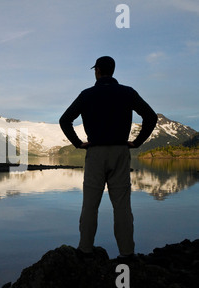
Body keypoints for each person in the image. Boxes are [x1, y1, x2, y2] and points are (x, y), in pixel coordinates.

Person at [59, 56, 158, 258]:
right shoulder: (127, 92)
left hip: (95, 153)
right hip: (120, 152)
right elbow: (151, 117)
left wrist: (78, 143)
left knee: (90, 205)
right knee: (122, 205)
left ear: (97, 71)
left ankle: (85, 250)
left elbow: (65, 120)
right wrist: (137, 142)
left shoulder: (87, 95)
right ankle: (127, 253)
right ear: (112, 71)